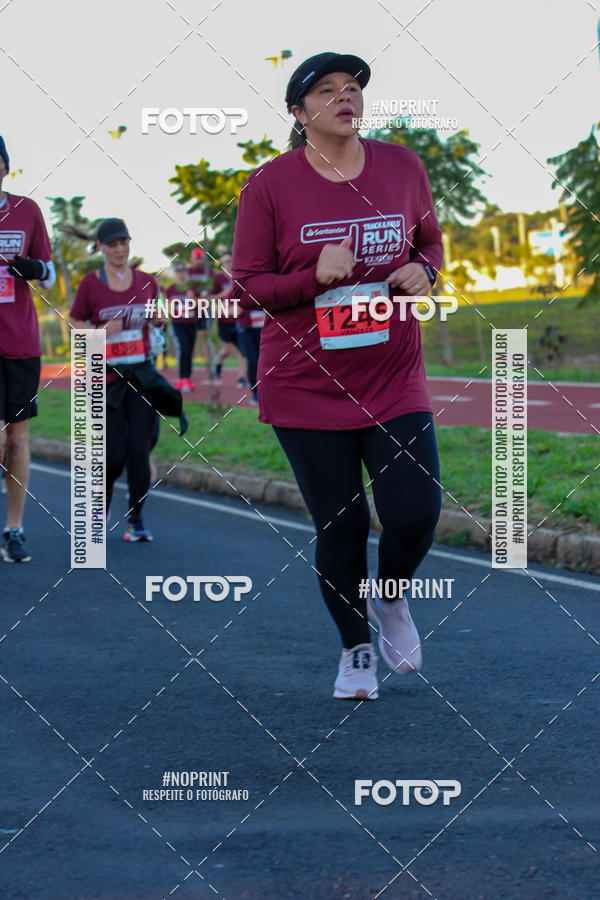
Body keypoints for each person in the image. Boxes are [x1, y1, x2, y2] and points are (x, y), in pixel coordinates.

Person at [233, 53, 443, 700]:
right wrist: (310, 278)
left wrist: (425, 272)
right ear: (299, 113)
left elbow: (429, 241)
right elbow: (245, 289)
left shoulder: (403, 167)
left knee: (414, 511)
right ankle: (355, 651)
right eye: (327, 91)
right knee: (342, 525)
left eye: (352, 88)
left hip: (392, 372)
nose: (345, 98)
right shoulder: (268, 186)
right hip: (305, 385)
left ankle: (391, 599)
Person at [69, 218, 185, 542]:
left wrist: (160, 318)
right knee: (113, 456)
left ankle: (136, 520)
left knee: (138, 450)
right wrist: (99, 333)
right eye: (112, 244)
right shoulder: (90, 285)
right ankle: (101, 509)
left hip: (141, 375)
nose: (119, 250)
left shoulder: (147, 281)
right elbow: (74, 323)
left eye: (124, 243)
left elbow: (161, 315)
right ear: (100, 247)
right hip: (106, 379)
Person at [0, 135, 56, 562]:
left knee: (17, 439)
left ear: (5, 166)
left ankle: (14, 528)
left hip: (20, 342)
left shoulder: (27, 211)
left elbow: (51, 275)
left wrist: (34, 268)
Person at [212, 251, 246, 386]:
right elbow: (211, 299)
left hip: (239, 319)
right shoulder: (218, 279)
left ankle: (241, 377)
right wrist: (225, 294)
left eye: (229, 260)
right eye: (224, 261)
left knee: (242, 349)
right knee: (228, 350)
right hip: (224, 320)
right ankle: (219, 360)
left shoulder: (240, 277)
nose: (227, 264)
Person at [165, 261, 199, 391]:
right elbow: (166, 306)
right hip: (177, 323)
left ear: (186, 272)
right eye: (178, 270)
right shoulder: (171, 288)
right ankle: (182, 378)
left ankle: (187, 378)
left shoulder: (193, 287)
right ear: (176, 273)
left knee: (189, 350)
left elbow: (202, 304)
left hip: (191, 323)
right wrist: (172, 305)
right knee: (183, 348)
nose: (181, 273)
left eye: (183, 270)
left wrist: (193, 298)